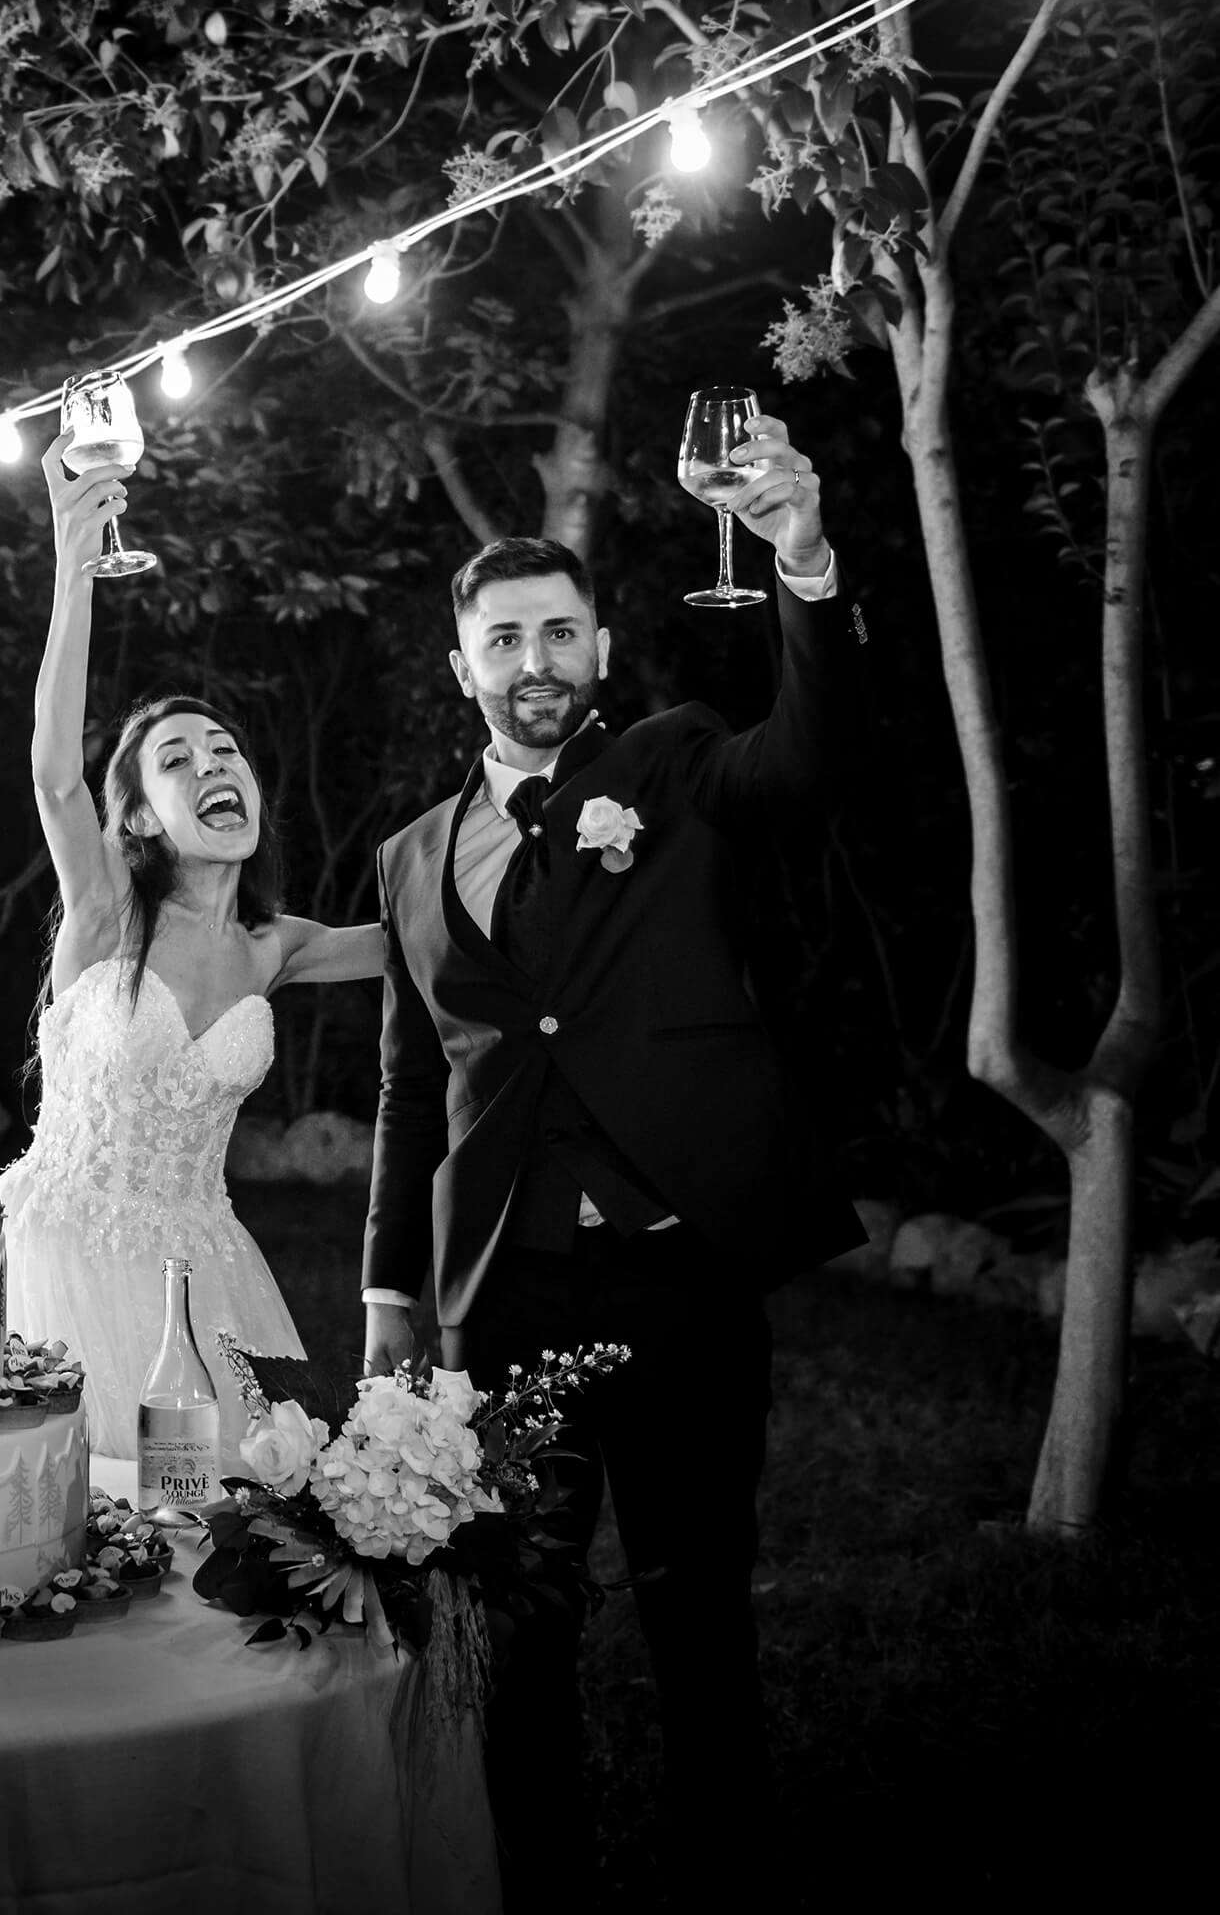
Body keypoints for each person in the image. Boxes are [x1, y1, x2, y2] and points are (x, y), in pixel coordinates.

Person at [360, 411, 866, 1908]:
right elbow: (408, 1085)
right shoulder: (405, 859)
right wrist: (394, 1295)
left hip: (682, 1269)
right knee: (514, 1629)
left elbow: (814, 766)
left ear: (599, 648)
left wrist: (805, 560)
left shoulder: (677, 765)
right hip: (503, 1289)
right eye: (503, 637)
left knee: (697, 1611)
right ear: (462, 668)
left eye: (559, 633)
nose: (534, 660)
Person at [0, 430, 388, 1461]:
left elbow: (428, 941)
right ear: (136, 819)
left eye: (223, 749)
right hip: (60, 1256)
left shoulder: (277, 946)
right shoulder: (105, 910)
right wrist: (70, 577)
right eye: (176, 757)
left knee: (226, 1517)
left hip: (205, 1266)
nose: (213, 762)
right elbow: (50, 777)